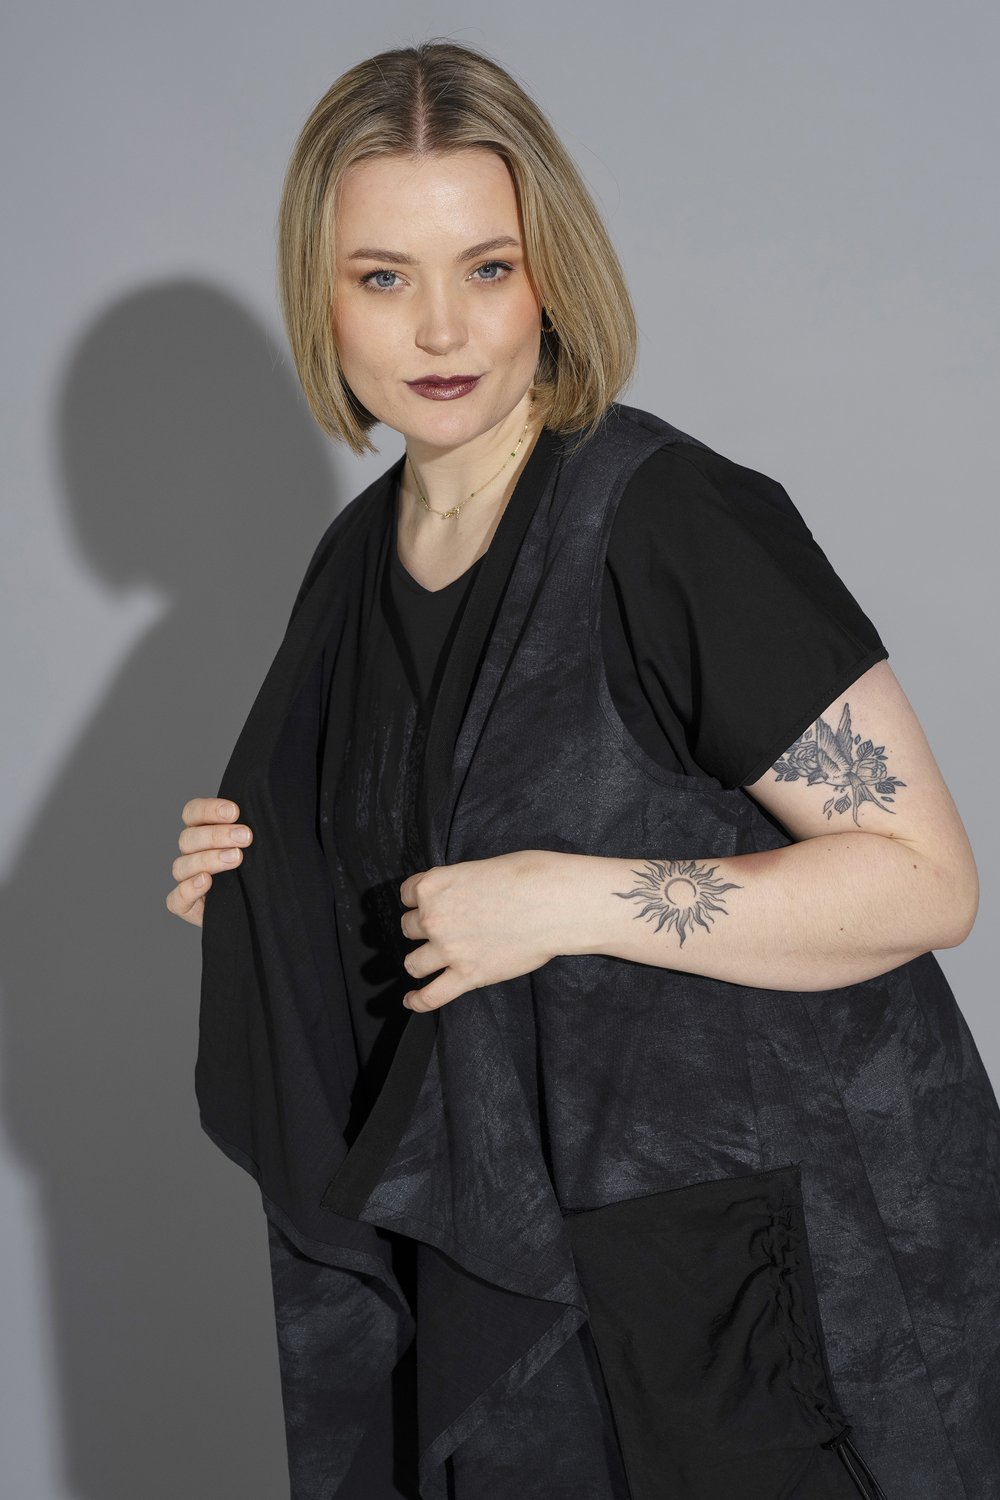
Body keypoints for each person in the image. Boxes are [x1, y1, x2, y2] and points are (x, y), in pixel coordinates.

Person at [166, 38, 1000, 1500]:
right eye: (383, 276)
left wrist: (570, 898)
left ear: (551, 276)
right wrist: (261, 888)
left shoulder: (670, 518)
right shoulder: (353, 568)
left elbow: (926, 881)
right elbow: (413, 909)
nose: (442, 326)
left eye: (487, 267)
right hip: (536, 1285)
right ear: (320, 295)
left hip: (767, 1278)